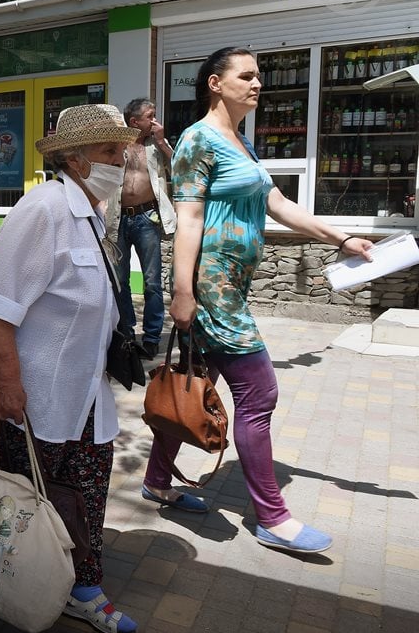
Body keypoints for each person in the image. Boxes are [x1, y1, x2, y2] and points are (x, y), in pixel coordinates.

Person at [142, 47, 374, 555]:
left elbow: (279, 205)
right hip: (212, 289)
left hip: (231, 288)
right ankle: (272, 516)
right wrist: (182, 292)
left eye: (259, 76)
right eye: (245, 76)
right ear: (214, 84)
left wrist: (342, 239)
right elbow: (190, 221)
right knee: (259, 393)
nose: (257, 84)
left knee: (197, 389)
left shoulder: (241, 143)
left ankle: (158, 481)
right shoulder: (197, 140)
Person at [0, 103, 141, 633]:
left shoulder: (92, 212)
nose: (121, 159)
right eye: (110, 150)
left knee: (85, 493)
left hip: (84, 396)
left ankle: (81, 589)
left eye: (121, 148)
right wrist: (10, 386)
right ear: (77, 158)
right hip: (35, 399)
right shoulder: (42, 210)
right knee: (21, 500)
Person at [103, 98, 177, 359]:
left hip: (147, 218)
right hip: (118, 219)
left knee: (152, 282)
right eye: (150, 116)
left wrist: (161, 141)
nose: (155, 121)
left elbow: (181, 167)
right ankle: (126, 333)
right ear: (134, 122)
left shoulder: (156, 145)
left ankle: (152, 337)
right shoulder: (117, 146)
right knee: (120, 281)